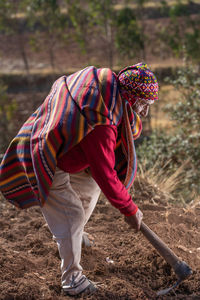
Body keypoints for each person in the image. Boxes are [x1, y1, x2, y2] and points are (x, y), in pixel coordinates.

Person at [0, 62, 158, 297]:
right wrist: (130, 209)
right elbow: (106, 174)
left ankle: (72, 236)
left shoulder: (106, 85)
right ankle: (72, 280)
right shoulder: (101, 122)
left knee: (89, 187)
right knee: (71, 214)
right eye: (143, 104)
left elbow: (101, 173)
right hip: (47, 157)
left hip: (68, 151)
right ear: (129, 97)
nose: (144, 112)